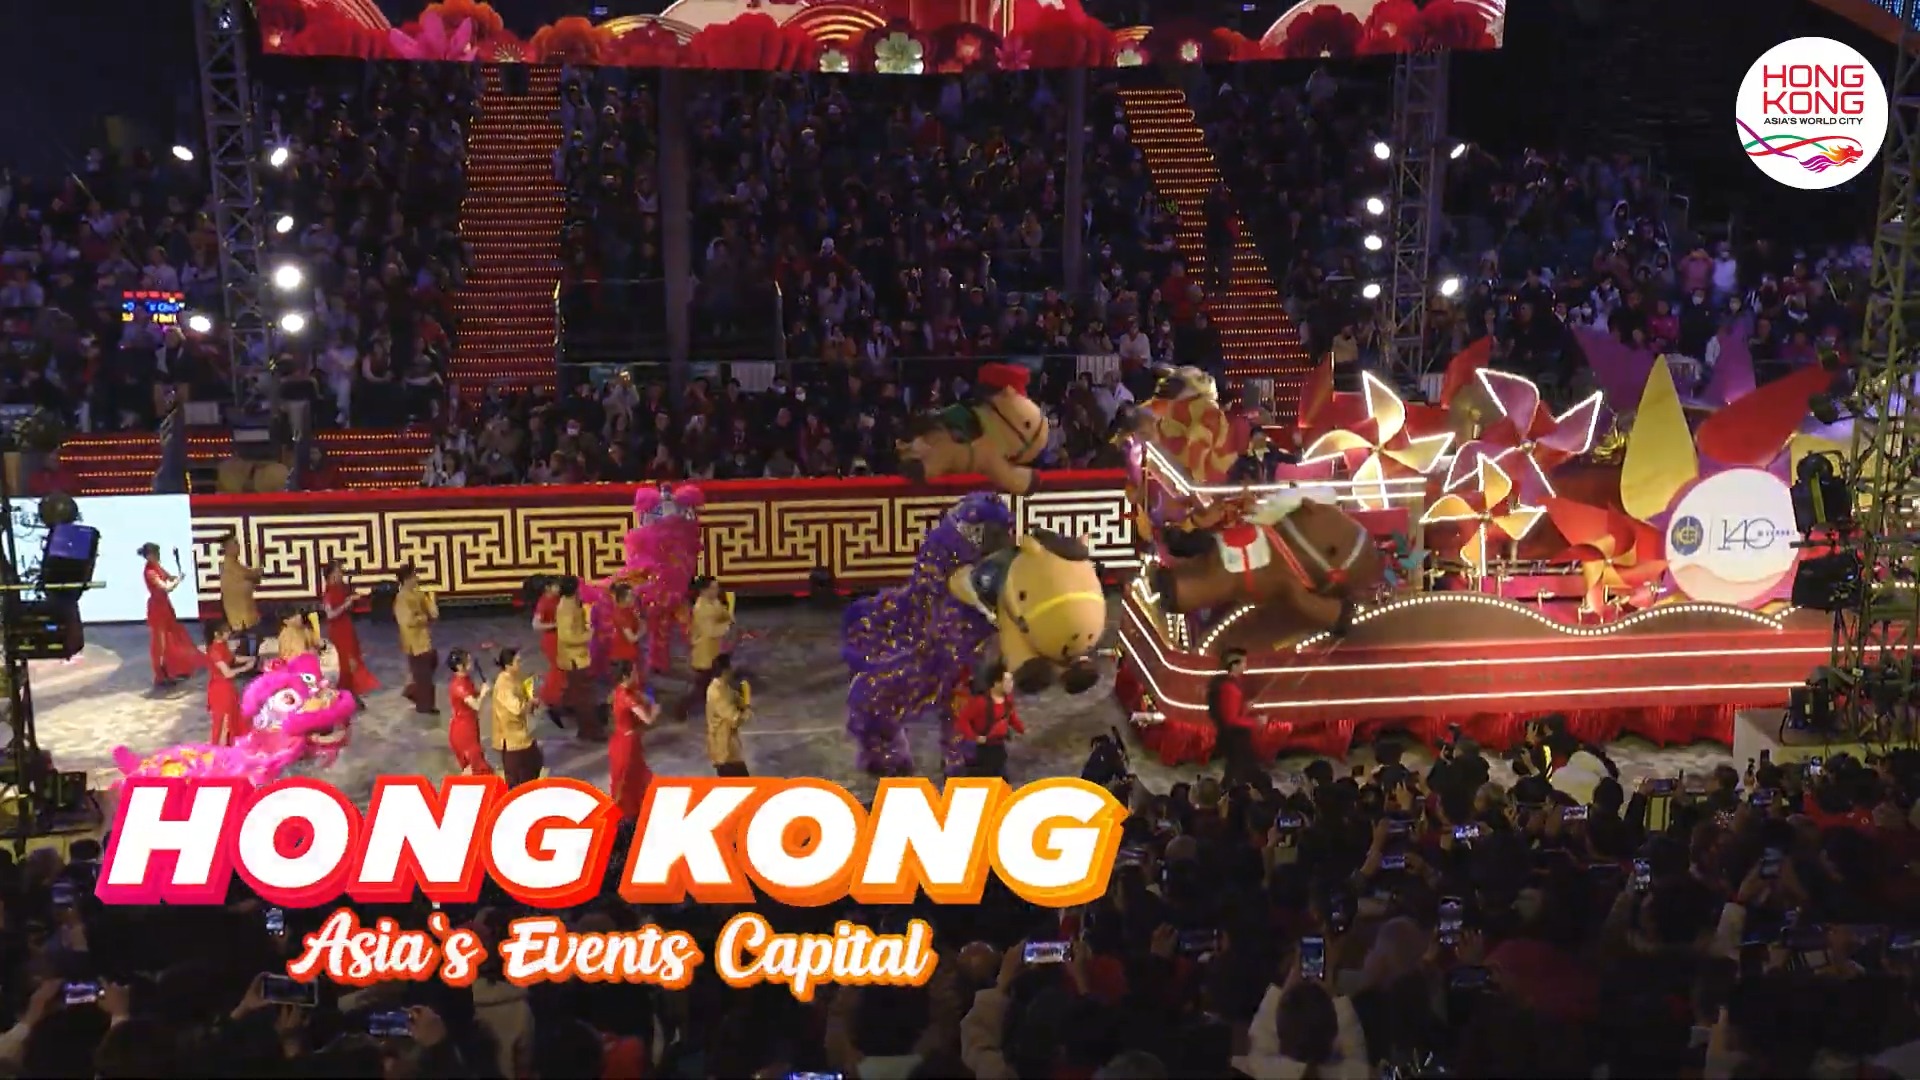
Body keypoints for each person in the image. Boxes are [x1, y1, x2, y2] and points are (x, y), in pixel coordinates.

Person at [139, 543, 201, 687]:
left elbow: (168, 577)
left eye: (158, 553)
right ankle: (162, 676)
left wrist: (177, 577)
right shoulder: (149, 571)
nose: (158, 555)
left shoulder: (156, 567)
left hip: (165, 606)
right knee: (161, 644)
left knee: (172, 638)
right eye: (155, 553)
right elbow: (166, 587)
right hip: (157, 609)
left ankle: (174, 670)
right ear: (148, 555)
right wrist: (177, 581)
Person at [320, 561, 379, 698]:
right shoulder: (328, 593)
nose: (341, 574)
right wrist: (345, 605)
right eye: (338, 571)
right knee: (345, 661)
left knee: (353, 658)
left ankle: (353, 692)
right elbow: (330, 614)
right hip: (338, 631)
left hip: (347, 628)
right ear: (331, 575)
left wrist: (354, 599)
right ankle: (347, 692)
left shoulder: (343, 588)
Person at [555, 577, 604, 739]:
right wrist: (588, 635)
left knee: (578, 692)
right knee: (584, 696)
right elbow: (566, 636)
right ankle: (589, 730)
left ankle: (567, 710)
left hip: (577, 656)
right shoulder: (566, 609)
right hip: (574, 658)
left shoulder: (571, 603)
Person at [608, 661, 658, 818]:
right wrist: (655, 710)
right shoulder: (627, 697)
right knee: (630, 779)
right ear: (626, 676)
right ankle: (630, 814)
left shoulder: (619, 691)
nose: (636, 676)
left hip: (620, 739)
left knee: (631, 777)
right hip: (628, 745)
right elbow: (648, 719)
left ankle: (633, 810)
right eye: (634, 673)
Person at [957, 664, 1024, 779]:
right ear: (997, 683)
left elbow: (1011, 717)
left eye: (1011, 681)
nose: (1011, 685)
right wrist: (974, 737)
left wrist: (1021, 729)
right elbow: (962, 721)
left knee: (1001, 776)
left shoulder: (1007, 701)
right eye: (1007, 681)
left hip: (998, 747)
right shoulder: (980, 702)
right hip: (982, 749)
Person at [1209, 647, 1263, 785]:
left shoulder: (1227, 683)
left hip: (1232, 737)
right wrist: (1255, 722)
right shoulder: (1229, 688)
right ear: (1233, 665)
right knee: (1241, 771)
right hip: (1235, 738)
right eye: (1243, 662)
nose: (1245, 666)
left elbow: (1230, 713)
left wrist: (1244, 708)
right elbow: (1231, 720)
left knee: (1235, 771)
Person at [683, 576, 734, 721]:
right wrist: (726, 627)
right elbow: (710, 631)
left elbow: (724, 615)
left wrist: (727, 620)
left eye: (717, 587)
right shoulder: (701, 609)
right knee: (701, 687)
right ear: (704, 590)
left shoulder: (714, 602)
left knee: (717, 681)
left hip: (715, 650)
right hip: (704, 653)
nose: (716, 590)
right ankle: (682, 710)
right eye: (713, 588)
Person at [395, 564, 441, 714]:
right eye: (414, 575)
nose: (417, 578)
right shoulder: (401, 598)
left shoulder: (418, 594)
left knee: (429, 666)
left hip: (424, 638)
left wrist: (431, 606)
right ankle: (425, 705)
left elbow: (431, 612)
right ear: (407, 579)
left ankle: (414, 693)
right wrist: (424, 618)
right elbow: (407, 621)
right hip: (413, 641)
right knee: (423, 674)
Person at [491, 647, 540, 786]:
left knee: (534, 764)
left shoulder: (515, 676)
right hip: (511, 736)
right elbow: (517, 708)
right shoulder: (503, 684)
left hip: (521, 731)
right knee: (517, 776)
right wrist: (530, 702)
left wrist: (530, 696)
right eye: (517, 661)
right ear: (508, 665)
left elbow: (524, 689)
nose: (520, 663)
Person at [203, 619, 254, 745]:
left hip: (227, 687)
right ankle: (222, 750)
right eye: (226, 631)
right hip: (220, 689)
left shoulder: (222, 645)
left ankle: (225, 747)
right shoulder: (214, 651)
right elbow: (228, 673)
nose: (229, 633)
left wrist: (250, 658)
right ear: (217, 633)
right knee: (224, 723)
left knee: (230, 719)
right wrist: (245, 668)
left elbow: (232, 658)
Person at [446, 648, 492, 776]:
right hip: (464, 730)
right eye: (468, 661)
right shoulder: (459, 685)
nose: (471, 663)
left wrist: (481, 691)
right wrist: (483, 693)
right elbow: (476, 705)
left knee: (474, 764)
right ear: (460, 666)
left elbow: (472, 695)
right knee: (475, 766)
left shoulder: (465, 679)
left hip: (469, 724)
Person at [217, 533, 263, 655]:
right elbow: (251, 575)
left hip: (245, 607)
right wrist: (257, 572)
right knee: (251, 635)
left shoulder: (235, 564)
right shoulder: (230, 565)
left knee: (251, 636)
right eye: (235, 544)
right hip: (238, 610)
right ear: (228, 548)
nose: (238, 547)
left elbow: (252, 577)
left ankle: (248, 657)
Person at [705, 653, 749, 776]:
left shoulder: (723, 686)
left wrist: (742, 699)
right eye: (730, 667)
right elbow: (734, 718)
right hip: (724, 751)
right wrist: (746, 713)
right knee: (737, 783)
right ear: (725, 671)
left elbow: (735, 698)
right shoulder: (717, 692)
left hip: (730, 746)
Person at [531, 577, 566, 723]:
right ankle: (549, 698)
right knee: (558, 668)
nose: (559, 588)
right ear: (548, 588)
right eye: (556, 586)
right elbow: (536, 625)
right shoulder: (543, 603)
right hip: (551, 639)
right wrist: (554, 625)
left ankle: (555, 698)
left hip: (560, 637)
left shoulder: (558, 598)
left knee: (561, 669)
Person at [606, 581, 641, 668]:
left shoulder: (628, 611)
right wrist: (643, 630)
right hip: (623, 655)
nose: (634, 597)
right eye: (631, 595)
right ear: (622, 598)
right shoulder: (621, 615)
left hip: (628, 653)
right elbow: (631, 638)